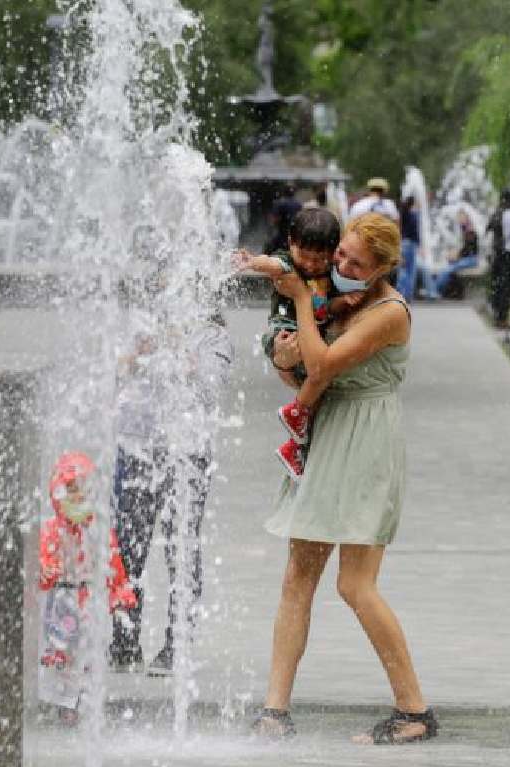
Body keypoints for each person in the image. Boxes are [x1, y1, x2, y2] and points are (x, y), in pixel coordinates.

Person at [253, 213, 438, 745]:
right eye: (340, 257)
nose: (341, 267)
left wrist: (298, 315)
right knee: (298, 575)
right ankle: (275, 710)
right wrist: (280, 357)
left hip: (366, 443)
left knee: (355, 585)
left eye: (355, 263)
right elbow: (298, 369)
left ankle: (414, 710)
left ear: (382, 267)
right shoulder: (334, 294)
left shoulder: (388, 312)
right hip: (328, 432)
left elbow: (325, 363)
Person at [111, 313, 232, 676]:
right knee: (129, 545)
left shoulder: (213, 335)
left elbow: (212, 389)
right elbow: (114, 378)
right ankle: (123, 639)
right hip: (137, 446)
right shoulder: (139, 323)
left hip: (188, 451)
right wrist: (133, 358)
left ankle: (177, 644)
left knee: (181, 546)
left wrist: (180, 351)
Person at [233, 208, 361, 480]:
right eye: (305, 256)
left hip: (311, 339)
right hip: (285, 333)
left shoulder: (330, 275)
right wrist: (253, 262)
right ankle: (296, 417)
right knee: (317, 372)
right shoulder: (287, 264)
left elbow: (323, 308)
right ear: (291, 243)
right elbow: (274, 264)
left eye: (321, 259)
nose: (312, 265)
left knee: (320, 381)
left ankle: (295, 443)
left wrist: (342, 302)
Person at [38, 451, 137, 722]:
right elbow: (42, 568)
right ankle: (66, 700)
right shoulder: (51, 530)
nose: (78, 497)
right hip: (63, 600)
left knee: (93, 647)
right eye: (71, 490)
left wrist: (120, 592)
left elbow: (113, 564)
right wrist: (46, 572)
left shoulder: (100, 531)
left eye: (83, 489)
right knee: (64, 649)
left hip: (92, 599)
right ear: (57, 493)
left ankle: (85, 696)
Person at [486, 188, 510, 328]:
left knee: (498, 285)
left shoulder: (498, 212)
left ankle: (498, 317)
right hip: (508, 255)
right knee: (506, 287)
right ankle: (503, 319)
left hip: (498, 254)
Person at [424, 224, 480, 299]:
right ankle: (434, 290)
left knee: (448, 270)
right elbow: (464, 250)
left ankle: (434, 290)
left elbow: (468, 250)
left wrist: (457, 257)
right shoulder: (467, 234)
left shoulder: (471, 234)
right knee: (447, 270)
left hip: (471, 260)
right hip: (468, 259)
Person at [265, 185, 303, 254]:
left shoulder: (280, 203)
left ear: (283, 192)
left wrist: (271, 227)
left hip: (283, 232)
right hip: (295, 232)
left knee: (270, 249)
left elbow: (274, 218)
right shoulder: (298, 204)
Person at [396, 196, 420, 301]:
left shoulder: (402, 214)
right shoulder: (413, 215)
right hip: (411, 244)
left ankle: (401, 291)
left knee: (402, 269)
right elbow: (416, 232)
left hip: (403, 243)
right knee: (410, 271)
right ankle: (408, 294)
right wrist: (418, 244)